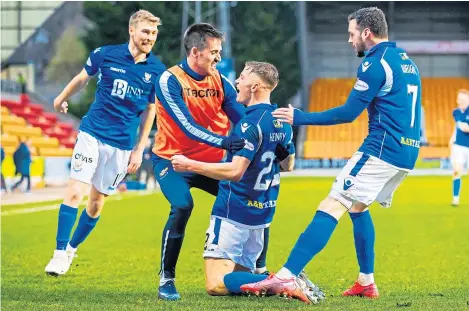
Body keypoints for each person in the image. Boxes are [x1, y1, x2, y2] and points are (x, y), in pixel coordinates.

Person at [241, 7, 422, 302]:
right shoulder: (406, 62)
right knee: (358, 207)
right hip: (406, 153)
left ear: (367, 33)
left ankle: (286, 277)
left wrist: (301, 117)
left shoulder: (375, 63)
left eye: (352, 34)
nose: (349, 40)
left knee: (334, 201)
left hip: (381, 149)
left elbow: (349, 113)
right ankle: (366, 281)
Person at [170, 61, 323, 303]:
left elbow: (235, 171)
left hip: (234, 213)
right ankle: (281, 282)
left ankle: (282, 281)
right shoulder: (281, 120)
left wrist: (189, 165)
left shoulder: (248, 123)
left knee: (216, 284)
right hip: (262, 216)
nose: (237, 82)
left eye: (241, 77)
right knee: (242, 280)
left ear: (254, 86)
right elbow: (288, 165)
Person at [44, 10, 166, 276]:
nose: (150, 37)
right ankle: (57, 253)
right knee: (75, 192)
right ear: (132, 30)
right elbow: (81, 78)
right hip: (92, 134)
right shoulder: (105, 54)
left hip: (122, 145)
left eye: (154, 33)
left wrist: (140, 149)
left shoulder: (157, 71)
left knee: (96, 204)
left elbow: (151, 112)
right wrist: (60, 97)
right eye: (146, 31)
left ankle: (71, 249)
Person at [152, 23, 250, 300]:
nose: (218, 58)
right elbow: (186, 126)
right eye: (214, 52)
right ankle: (166, 278)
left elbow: (241, 117)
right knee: (182, 205)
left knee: (243, 200)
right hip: (171, 162)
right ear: (196, 52)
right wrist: (224, 142)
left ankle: (253, 270)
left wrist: (268, 138)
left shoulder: (219, 79)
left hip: (210, 165)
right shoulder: (169, 81)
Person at [449, 89, 469, 206]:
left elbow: (464, 127)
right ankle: (455, 199)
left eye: (462, 99)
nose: (459, 101)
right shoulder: (456, 112)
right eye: (459, 99)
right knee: (456, 171)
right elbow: (462, 127)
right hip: (459, 146)